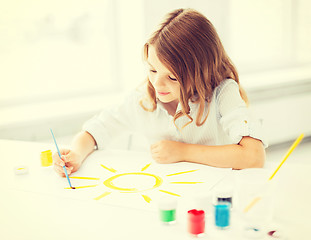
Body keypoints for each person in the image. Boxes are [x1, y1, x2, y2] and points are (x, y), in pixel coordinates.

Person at [53, 8, 267, 177]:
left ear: (201, 72)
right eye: (152, 70)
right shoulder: (142, 100)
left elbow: (254, 157)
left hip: (215, 197)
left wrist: (182, 152)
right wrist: (77, 154)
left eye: (172, 77)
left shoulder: (223, 93)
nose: (157, 84)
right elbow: (95, 130)